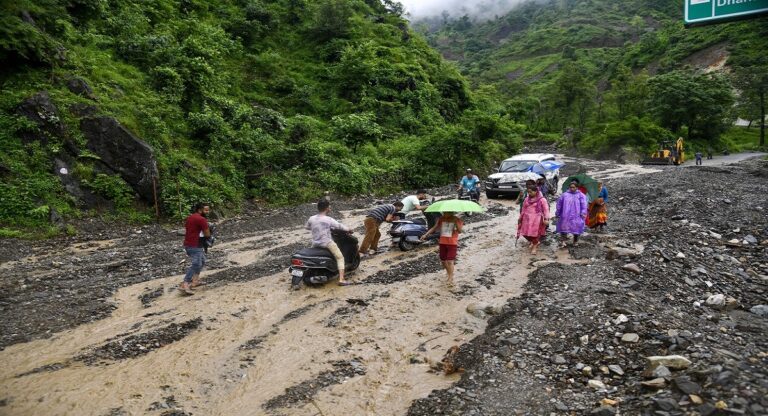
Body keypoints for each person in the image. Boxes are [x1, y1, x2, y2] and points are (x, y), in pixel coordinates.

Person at [305, 199, 352, 286]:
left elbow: (307, 227)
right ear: (327, 208)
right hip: (326, 243)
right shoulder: (328, 219)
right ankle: (341, 279)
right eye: (329, 206)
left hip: (315, 243)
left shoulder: (311, 218)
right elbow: (340, 226)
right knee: (340, 257)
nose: (330, 208)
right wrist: (349, 229)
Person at [421, 211, 463, 288]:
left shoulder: (457, 219)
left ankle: (450, 277)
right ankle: (448, 272)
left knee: (450, 261)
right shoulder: (441, 219)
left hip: (452, 243)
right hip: (442, 242)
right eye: (443, 213)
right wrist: (425, 235)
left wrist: (455, 223)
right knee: (443, 261)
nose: (444, 214)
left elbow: (460, 231)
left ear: (451, 213)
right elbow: (434, 227)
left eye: (446, 213)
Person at [180, 202, 211, 295]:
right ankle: (185, 284)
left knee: (202, 261)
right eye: (206, 210)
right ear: (200, 210)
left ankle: (195, 281)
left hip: (188, 243)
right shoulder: (201, 219)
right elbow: (207, 234)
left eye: (208, 210)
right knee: (196, 263)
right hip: (195, 245)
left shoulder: (190, 217)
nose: (208, 212)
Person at [517, 187, 550, 254]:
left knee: (535, 234)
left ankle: (534, 247)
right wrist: (520, 218)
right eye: (528, 192)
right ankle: (534, 242)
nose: (529, 193)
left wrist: (546, 219)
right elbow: (523, 209)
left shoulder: (542, 200)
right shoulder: (526, 199)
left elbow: (546, 210)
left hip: (537, 219)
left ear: (536, 191)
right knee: (525, 233)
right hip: (527, 219)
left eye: (531, 192)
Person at [555, 180, 588, 247]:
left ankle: (575, 241)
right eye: (571, 187)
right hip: (565, 215)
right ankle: (563, 241)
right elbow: (559, 204)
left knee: (576, 228)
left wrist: (583, 212)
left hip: (577, 215)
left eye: (574, 187)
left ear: (577, 187)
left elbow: (583, 205)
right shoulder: (564, 195)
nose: (572, 189)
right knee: (564, 228)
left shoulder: (581, 195)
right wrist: (558, 213)